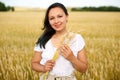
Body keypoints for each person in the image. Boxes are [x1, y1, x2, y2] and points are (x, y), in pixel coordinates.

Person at [31, 2, 88, 80]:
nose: (56, 21)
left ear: (67, 17)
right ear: (49, 21)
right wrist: (43, 68)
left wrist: (72, 58)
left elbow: (83, 69)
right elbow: (34, 64)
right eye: (52, 18)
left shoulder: (77, 39)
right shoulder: (43, 39)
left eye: (60, 16)